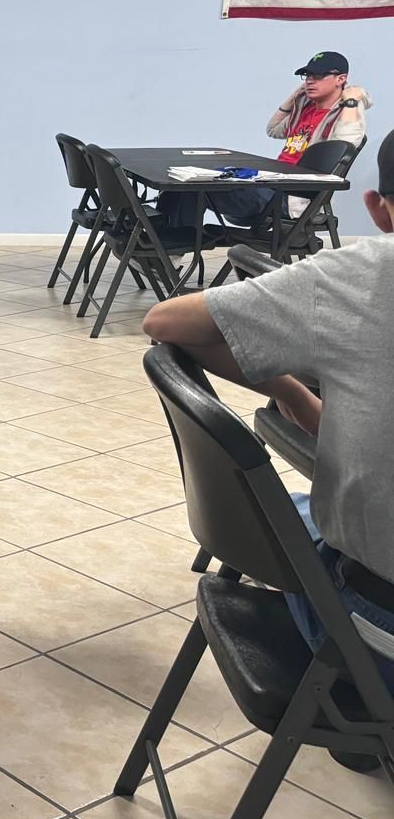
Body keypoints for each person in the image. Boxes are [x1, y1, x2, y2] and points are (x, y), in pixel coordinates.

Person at [142, 128, 394, 752]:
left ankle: (363, 734)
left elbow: (167, 322)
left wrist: (292, 394)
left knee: (307, 515)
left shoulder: (367, 276)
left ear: (378, 209)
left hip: (375, 637)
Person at [162, 51, 372, 228]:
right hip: (270, 183)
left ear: (341, 79)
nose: (309, 81)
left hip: (290, 196)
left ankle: (168, 257)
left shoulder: (346, 112)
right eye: (307, 76)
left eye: (318, 76)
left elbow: (348, 142)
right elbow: (273, 129)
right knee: (183, 182)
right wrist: (295, 95)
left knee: (193, 191)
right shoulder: (305, 110)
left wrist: (352, 99)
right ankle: (156, 246)